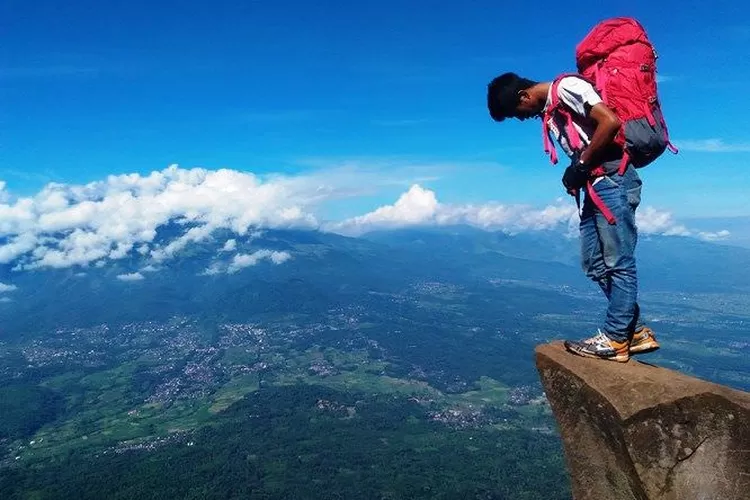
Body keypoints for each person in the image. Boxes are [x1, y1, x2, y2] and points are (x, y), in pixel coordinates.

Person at [486, 72, 660, 362]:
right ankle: (636, 331)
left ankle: (616, 339)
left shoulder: (568, 88)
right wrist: (578, 175)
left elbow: (610, 122)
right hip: (597, 185)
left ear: (524, 96)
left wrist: (580, 165)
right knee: (593, 263)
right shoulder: (553, 110)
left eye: (516, 113)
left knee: (618, 261)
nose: (520, 119)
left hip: (613, 180)